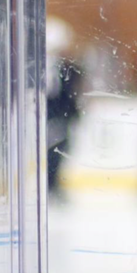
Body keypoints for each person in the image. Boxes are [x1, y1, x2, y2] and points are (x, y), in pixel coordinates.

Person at [44, 18, 83, 201]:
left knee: (60, 151)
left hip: (61, 118)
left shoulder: (70, 67)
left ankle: (54, 184)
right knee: (51, 153)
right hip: (48, 117)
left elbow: (70, 95)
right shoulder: (42, 68)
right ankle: (50, 185)